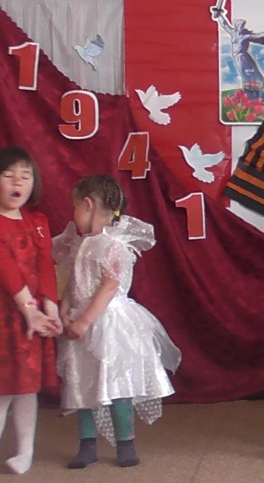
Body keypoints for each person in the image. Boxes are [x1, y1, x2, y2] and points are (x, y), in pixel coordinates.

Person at [53, 174, 181, 469]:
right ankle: (87, 444)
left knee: (117, 383)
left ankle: (126, 443)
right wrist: (66, 310)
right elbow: (73, 282)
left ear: (88, 205)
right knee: (81, 383)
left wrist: (85, 320)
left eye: (75, 208)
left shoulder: (114, 245)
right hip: (81, 321)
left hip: (109, 323)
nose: (73, 215)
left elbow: (110, 286)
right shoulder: (80, 244)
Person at [0, 147, 61, 474]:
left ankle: (25, 452)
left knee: (26, 388)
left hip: (30, 321)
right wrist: (28, 308)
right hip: (7, 317)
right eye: (8, 174)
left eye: (25, 175)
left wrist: (50, 307)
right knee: (2, 391)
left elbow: (45, 265)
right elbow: (6, 268)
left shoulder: (38, 222)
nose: (17, 182)